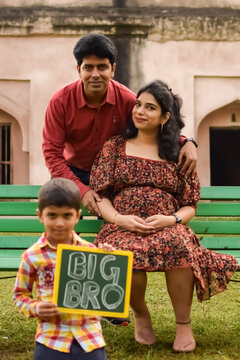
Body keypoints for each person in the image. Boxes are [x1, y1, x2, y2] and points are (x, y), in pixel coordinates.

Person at [89, 80, 239, 352]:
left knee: (180, 245)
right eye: (137, 104)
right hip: (122, 225)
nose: (140, 111)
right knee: (123, 251)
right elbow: (101, 195)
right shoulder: (114, 147)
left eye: (150, 107)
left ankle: (183, 324)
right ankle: (142, 315)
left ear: (165, 117)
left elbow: (189, 204)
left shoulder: (177, 153)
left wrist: (172, 220)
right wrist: (119, 219)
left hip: (167, 225)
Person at [42, 32, 198, 218]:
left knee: (118, 212)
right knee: (62, 213)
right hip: (72, 171)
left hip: (112, 175)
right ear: (78, 69)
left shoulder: (126, 99)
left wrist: (187, 141)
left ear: (113, 69)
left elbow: (151, 125)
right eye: (88, 67)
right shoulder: (61, 101)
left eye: (102, 67)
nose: (95, 74)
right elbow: (52, 154)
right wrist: (81, 191)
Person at [13, 178, 115, 360]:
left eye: (66, 215)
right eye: (52, 215)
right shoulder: (32, 256)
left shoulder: (91, 252)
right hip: (51, 339)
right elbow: (19, 295)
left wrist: (110, 261)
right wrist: (35, 308)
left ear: (76, 216)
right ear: (40, 215)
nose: (59, 223)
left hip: (89, 338)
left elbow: (108, 293)